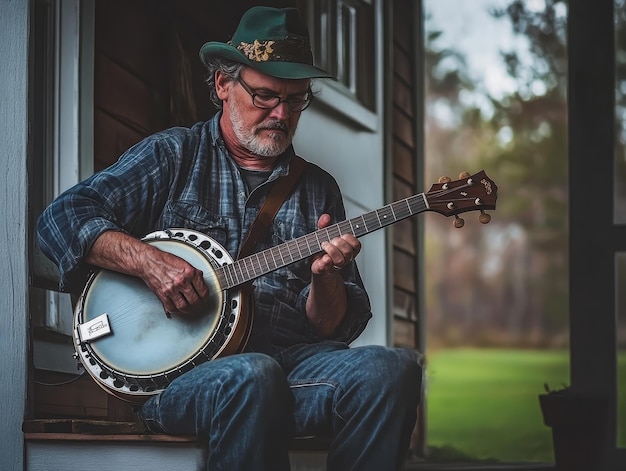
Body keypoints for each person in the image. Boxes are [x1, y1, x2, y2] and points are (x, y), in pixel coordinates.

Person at [37, 6, 422, 471]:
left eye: (295, 100)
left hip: (290, 366)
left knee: (391, 370)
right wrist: (150, 264)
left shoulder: (318, 190)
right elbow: (61, 218)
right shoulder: (174, 155)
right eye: (264, 96)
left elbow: (328, 328)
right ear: (223, 85)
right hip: (183, 378)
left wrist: (328, 278)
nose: (281, 114)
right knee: (251, 375)